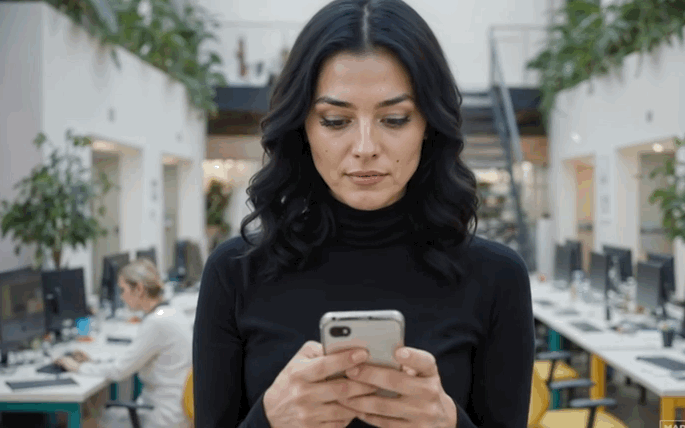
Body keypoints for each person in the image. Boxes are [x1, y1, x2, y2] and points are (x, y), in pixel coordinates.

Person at [192, 0, 535, 427]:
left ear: (429, 125)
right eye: (336, 120)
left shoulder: (497, 277)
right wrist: (269, 419)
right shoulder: (234, 272)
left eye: (394, 118)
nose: (366, 146)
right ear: (303, 128)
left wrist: (449, 423)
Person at [54, 258, 192, 428]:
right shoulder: (171, 313)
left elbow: (120, 371)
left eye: (123, 290)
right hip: (175, 411)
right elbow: (130, 361)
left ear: (139, 289)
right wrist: (93, 362)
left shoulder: (156, 322)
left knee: (87, 421)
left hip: (160, 417)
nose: (121, 296)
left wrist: (78, 367)